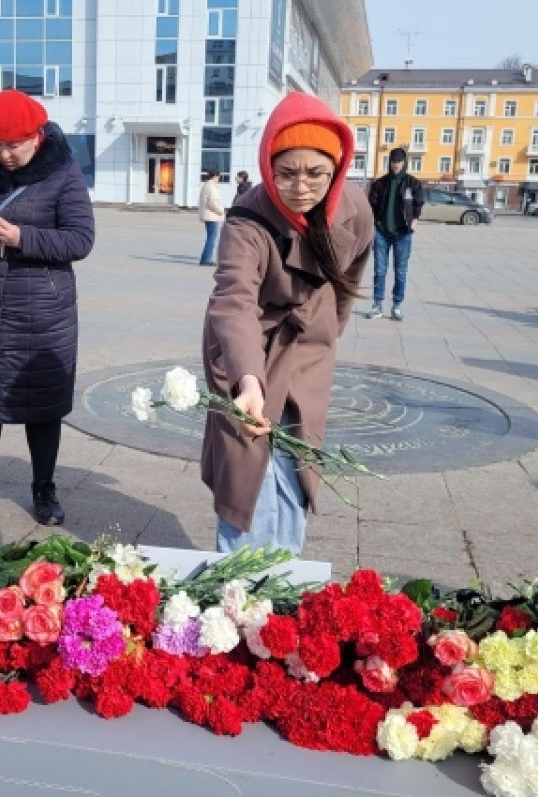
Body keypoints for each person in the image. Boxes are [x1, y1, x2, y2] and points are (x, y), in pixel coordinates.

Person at [201, 91, 374, 555]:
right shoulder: (247, 221)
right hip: (248, 344)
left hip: (308, 344)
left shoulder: (355, 210)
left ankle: (285, 578)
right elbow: (234, 299)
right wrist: (248, 378)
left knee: (296, 460)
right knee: (247, 464)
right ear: (267, 168)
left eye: (316, 172)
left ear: (336, 170)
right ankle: (238, 585)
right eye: (287, 172)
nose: (301, 186)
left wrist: (326, 336)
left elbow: (348, 278)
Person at [0, 89, 95, 529]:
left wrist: (23, 238)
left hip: (44, 304)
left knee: (43, 403)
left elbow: (81, 238)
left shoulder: (63, 170)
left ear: (37, 136)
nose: (5, 154)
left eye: (15, 145)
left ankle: (44, 487)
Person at [366, 147, 423, 320]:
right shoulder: (380, 183)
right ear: (389, 162)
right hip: (381, 233)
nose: (396, 165)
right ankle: (377, 305)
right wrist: (372, 225)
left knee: (400, 271)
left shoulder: (412, 183)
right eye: (393, 161)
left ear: (404, 162)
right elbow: (371, 206)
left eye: (399, 161)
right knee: (379, 270)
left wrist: (414, 221)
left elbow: (418, 203)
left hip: (403, 234)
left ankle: (397, 306)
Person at [198, 169, 225, 266]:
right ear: (215, 176)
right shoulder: (211, 186)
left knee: (210, 237)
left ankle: (205, 259)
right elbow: (212, 202)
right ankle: (206, 260)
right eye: (219, 177)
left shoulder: (207, 185)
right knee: (211, 239)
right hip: (211, 216)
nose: (219, 179)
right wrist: (221, 210)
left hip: (209, 215)